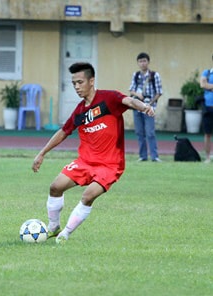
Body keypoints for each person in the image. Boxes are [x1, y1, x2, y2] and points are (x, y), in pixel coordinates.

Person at [32, 62, 155, 244]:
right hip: (85, 162)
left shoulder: (108, 98)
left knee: (88, 195)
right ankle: (53, 227)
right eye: (74, 83)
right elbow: (64, 131)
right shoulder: (80, 111)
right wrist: (42, 153)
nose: (76, 87)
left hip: (110, 165)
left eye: (80, 82)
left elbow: (128, 101)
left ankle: (64, 234)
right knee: (55, 187)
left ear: (91, 81)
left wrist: (143, 106)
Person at [129, 52, 163, 162]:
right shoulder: (136, 75)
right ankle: (143, 156)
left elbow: (159, 92)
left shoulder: (154, 75)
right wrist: (137, 95)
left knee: (150, 132)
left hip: (149, 108)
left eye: (144, 61)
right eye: (140, 61)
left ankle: (154, 156)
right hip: (137, 107)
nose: (142, 63)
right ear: (137, 63)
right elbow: (131, 89)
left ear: (148, 62)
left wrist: (150, 104)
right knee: (139, 132)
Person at [200, 53, 213, 164]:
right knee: (207, 133)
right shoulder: (207, 73)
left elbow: (207, 85)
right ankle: (208, 157)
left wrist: (210, 86)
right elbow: (203, 84)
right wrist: (208, 86)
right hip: (208, 107)